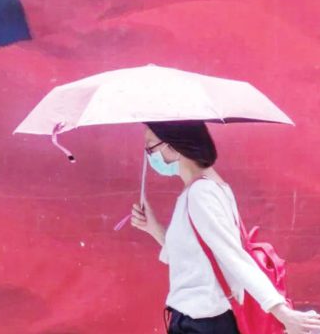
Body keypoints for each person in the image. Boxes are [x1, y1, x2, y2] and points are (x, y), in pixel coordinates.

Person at [130, 120, 320, 334]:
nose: (148, 155)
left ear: (173, 147)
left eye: (150, 147)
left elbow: (233, 256)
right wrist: (153, 228)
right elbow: (194, 259)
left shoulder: (200, 194)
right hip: (198, 320)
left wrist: (282, 314)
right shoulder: (207, 188)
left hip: (201, 323)